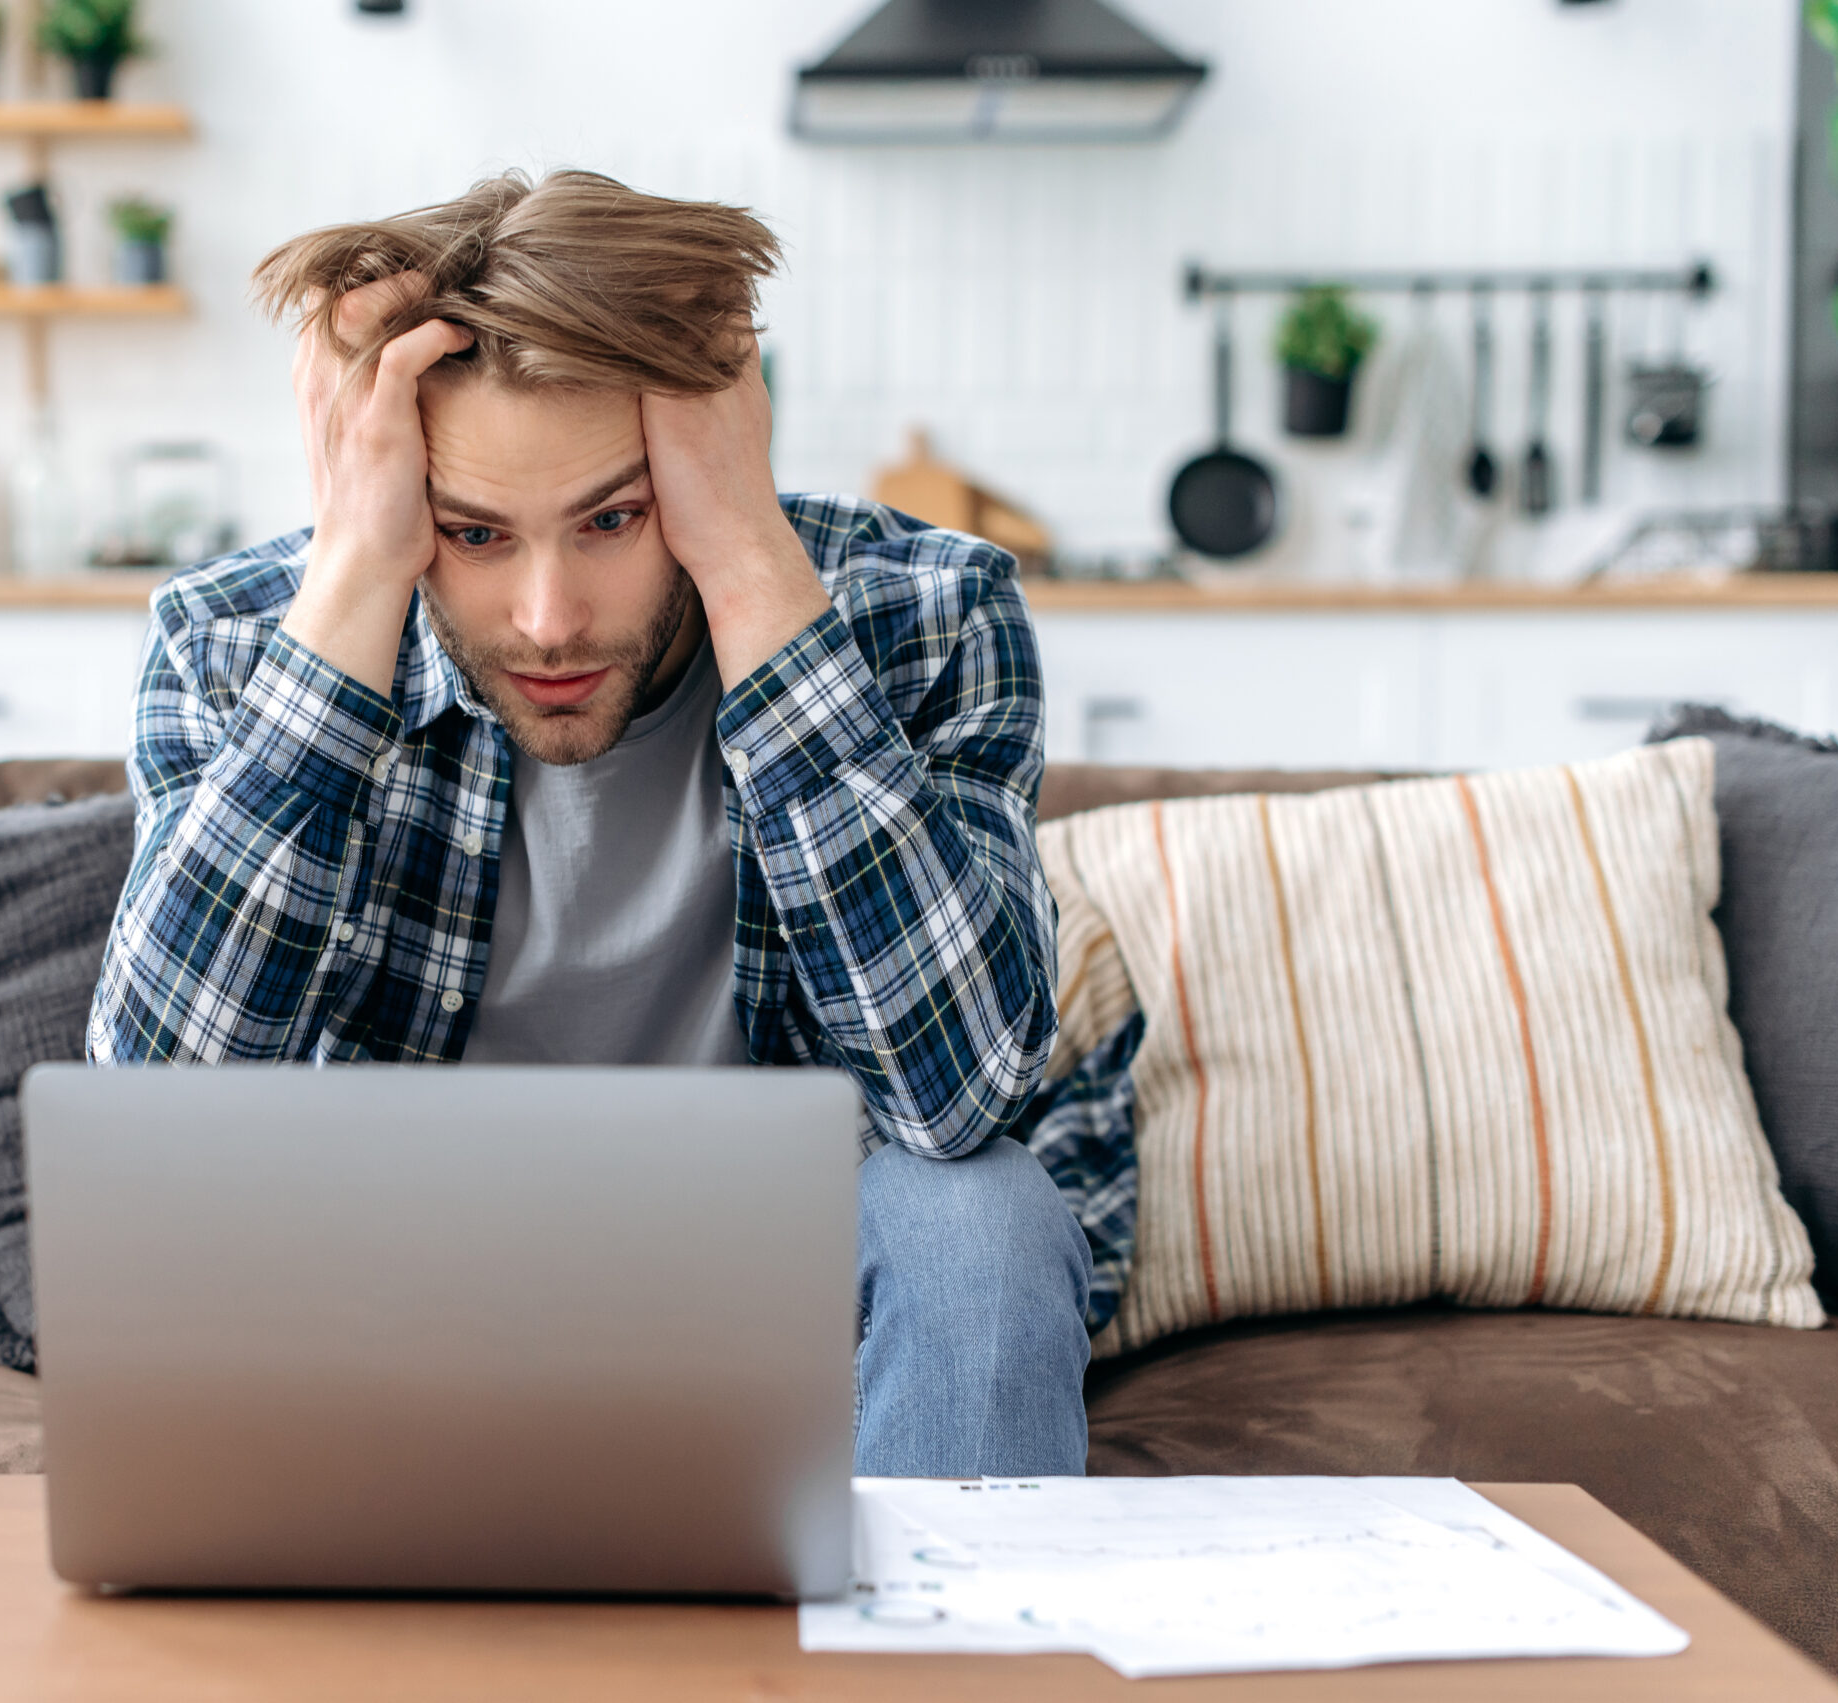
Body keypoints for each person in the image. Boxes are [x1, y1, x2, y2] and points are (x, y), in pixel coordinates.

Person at [87, 169, 1090, 1476]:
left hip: (789, 1266)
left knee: (985, 1220)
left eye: (612, 518)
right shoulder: (232, 644)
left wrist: (743, 562)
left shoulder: (928, 616)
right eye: (476, 533)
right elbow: (156, 1149)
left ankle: (937, 1676)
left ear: (709, 455)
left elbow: (959, 1099)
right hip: (405, 1275)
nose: (550, 617)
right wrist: (351, 585)